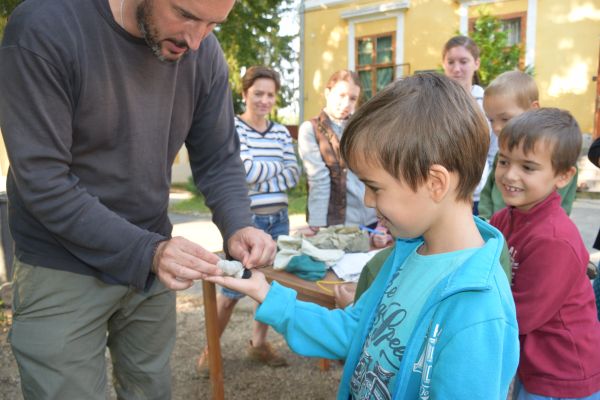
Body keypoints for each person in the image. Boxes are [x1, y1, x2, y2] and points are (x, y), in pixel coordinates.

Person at [0, 1, 277, 399]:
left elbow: (217, 157)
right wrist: (150, 251)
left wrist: (238, 223)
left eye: (213, 25)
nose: (196, 42)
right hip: (60, 261)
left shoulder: (203, 54)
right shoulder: (46, 26)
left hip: (151, 265)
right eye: (185, 14)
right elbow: (43, 181)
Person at [207, 73, 519, 399]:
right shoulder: (403, 257)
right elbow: (353, 330)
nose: (368, 201)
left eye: (375, 187)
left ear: (435, 183)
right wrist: (265, 292)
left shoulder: (479, 309)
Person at [489, 108, 600, 399]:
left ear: (563, 176)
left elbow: (520, 316)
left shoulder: (554, 239)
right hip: (533, 363)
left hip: (563, 373)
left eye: (528, 167)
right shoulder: (504, 219)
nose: (509, 174)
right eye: (503, 161)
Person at [196, 66, 299, 374]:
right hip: (247, 225)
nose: (265, 100)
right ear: (244, 94)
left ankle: (258, 344)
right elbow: (245, 172)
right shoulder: (234, 130)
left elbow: (293, 175)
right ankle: (209, 350)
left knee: (265, 288)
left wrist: (262, 172)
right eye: (258, 93)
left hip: (279, 222)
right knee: (229, 294)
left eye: (270, 94)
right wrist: (274, 169)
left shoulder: (281, 131)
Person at [479, 71, 578, 220]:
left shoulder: (555, 153)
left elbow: (560, 207)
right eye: (491, 120)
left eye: (505, 119)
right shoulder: (502, 153)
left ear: (533, 109)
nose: (497, 128)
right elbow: (487, 192)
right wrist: (486, 220)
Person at [298, 69, 377, 234]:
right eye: (341, 95)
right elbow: (318, 178)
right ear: (328, 92)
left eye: (353, 98)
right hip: (335, 223)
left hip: (370, 219)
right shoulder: (310, 129)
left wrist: (383, 219)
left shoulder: (364, 128)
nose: (347, 103)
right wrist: (317, 224)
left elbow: (376, 174)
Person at [442, 35, 495, 214]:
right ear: (443, 64)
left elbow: (493, 152)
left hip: (480, 199)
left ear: (476, 63)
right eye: (451, 62)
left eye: (463, 61)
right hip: (444, 196)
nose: (457, 69)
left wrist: (487, 187)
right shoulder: (436, 104)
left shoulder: (488, 103)